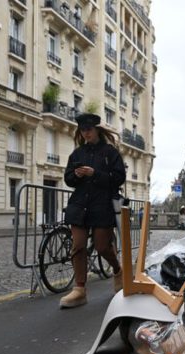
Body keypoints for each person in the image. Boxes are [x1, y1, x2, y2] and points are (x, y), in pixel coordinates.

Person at [60, 113, 126, 308]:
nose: (86, 133)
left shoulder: (110, 152)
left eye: (89, 129)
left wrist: (95, 174)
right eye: (82, 130)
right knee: (78, 245)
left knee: (102, 246)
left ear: (97, 129)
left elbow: (118, 177)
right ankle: (79, 289)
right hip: (80, 205)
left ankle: (117, 269)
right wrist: (77, 174)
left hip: (102, 205)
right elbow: (68, 178)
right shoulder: (77, 154)